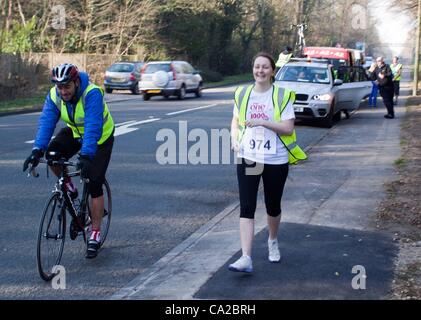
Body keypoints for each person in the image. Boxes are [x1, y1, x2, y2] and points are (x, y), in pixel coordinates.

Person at [23, 63, 115, 259]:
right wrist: (37, 150)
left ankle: (95, 233)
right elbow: (47, 121)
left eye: (67, 87)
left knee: (94, 180)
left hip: (100, 138)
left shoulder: (91, 93)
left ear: (75, 82)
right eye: (60, 87)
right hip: (75, 133)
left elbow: (92, 125)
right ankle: (69, 186)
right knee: (53, 155)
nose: (63, 91)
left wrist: (86, 156)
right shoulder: (55, 95)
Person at [229, 52, 307, 273]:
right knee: (246, 207)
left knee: (273, 206)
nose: (260, 71)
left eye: (264, 67)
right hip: (248, 157)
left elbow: (288, 128)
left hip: (275, 159)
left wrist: (263, 121)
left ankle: (272, 240)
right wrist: (234, 139)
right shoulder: (243, 94)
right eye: (256, 67)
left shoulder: (281, 95)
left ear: (272, 71)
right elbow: (235, 120)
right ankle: (246, 257)